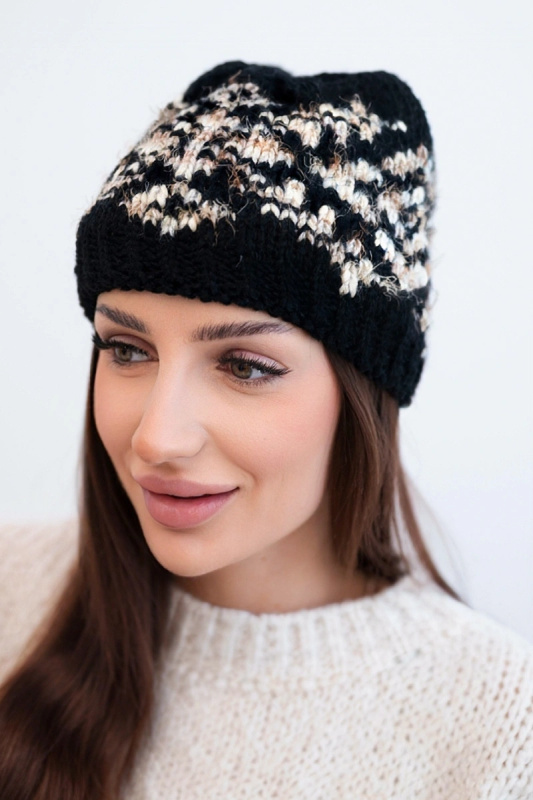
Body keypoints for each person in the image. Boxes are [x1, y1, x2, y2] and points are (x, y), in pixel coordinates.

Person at [0, 60, 531, 800]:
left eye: (244, 366)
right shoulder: (12, 589)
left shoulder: (496, 717)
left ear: (363, 390)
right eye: (126, 350)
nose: (157, 438)